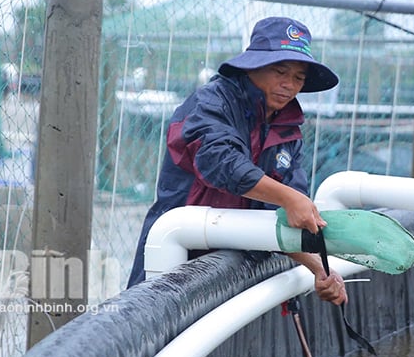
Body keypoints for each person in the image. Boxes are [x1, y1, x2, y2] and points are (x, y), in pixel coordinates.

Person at [127, 16, 347, 305]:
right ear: (253, 66)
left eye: (298, 77)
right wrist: (289, 198)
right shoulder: (211, 103)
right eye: (280, 71)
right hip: (176, 258)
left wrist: (320, 269)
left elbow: (286, 214)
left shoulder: (288, 127)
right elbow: (221, 163)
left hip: (238, 268)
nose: (289, 85)